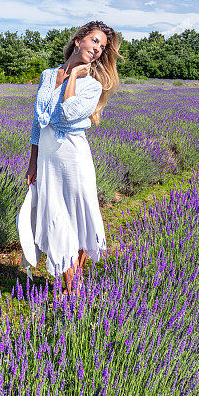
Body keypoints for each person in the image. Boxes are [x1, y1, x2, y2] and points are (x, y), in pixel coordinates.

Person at [23, 21, 123, 297]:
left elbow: (66, 114)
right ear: (79, 40)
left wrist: (75, 77)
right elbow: (38, 121)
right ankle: (73, 286)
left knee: (78, 217)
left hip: (73, 158)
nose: (98, 50)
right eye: (94, 41)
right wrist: (32, 161)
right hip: (47, 159)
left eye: (102, 47)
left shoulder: (92, 86)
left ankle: (73, 287)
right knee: (55, 214)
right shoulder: (47, 75)